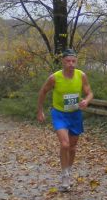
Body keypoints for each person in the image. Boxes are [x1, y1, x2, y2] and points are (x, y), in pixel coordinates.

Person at [36, 48, 93, 191]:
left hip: (75, 114)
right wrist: (40, 111)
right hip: (59, 114)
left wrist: (86, 101)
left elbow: (89, 93)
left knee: (73, 147)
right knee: (65, 144)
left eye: (74, 61)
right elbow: (43, 92)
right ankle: (65, 175)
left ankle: (68, 170)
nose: (71, 64)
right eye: (68, 61)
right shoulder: (54, 77)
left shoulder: (81, 76)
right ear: (63, 61)